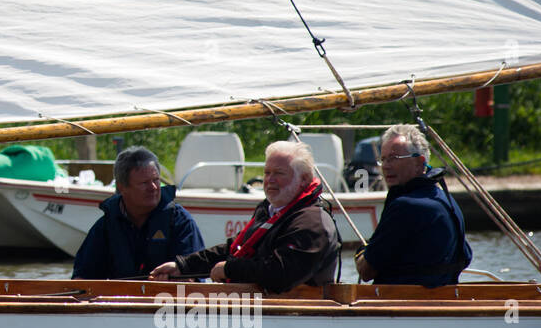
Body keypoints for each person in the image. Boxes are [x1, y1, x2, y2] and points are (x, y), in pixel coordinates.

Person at [150, 140, 339, 292]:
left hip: (297, 316)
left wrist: (229, 269)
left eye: (279, 173)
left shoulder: (312, 223)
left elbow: (281, 274)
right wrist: (182, 266)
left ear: (304, 179)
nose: (270, 180)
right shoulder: (270, 211)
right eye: (267, 173)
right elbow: (235, 248)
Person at [354, 124, 471, 287]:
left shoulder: (405, 207)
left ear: (419, 162)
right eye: (383, 159)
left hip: (403, 304)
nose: (386, 166)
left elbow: (366, 271)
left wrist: (361, 252)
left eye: (394, 158)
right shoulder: (446, 200)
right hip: (444, 300)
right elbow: (465, 256)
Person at [72, 147, 204, 279]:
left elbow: (195, 278)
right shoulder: (106, 226)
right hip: (120, 298)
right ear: (122, 187)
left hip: (168, 298)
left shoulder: (180, 222)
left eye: (156, 180)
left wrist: (173, 281)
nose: (153, 187)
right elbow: (82, 278)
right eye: (144, 183)